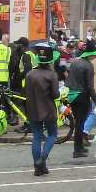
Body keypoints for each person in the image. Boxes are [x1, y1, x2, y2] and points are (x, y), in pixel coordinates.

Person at [25, 42, 61, 177]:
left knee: (37, 137)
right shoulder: (51, 75)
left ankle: (38, 167)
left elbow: (27, 93)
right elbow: (56, 94)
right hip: (48, 108)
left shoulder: (30, 74)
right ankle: (42, 159)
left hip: (32, 108)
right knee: (52, 135)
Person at [66, 40, 96, 158]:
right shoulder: (89, 66)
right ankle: (77, 150)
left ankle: (79, 147)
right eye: (95, 53)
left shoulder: (75, 62)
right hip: (82, 96)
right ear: (90, 54)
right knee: (80, 123)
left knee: (78, 122)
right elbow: (90, 86)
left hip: (72, 95)